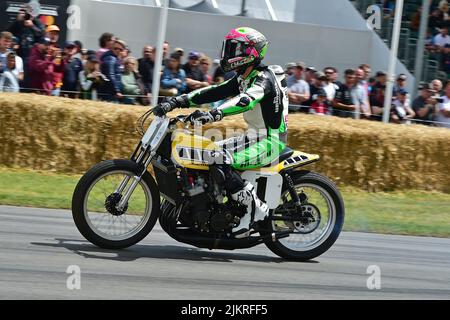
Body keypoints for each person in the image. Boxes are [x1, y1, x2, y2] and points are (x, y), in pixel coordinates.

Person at [153, 27, 289, 238]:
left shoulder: (263, 79)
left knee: (220, 158)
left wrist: (214, 114)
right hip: (252, 136)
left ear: (251, 52)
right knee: (208, 152)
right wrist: (179, 101)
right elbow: (212, 91)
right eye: (230, 47)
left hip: (270, 141)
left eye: (235, 48)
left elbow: (245, 100)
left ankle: (254, 208)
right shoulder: (244, 77)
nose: (229, 53)